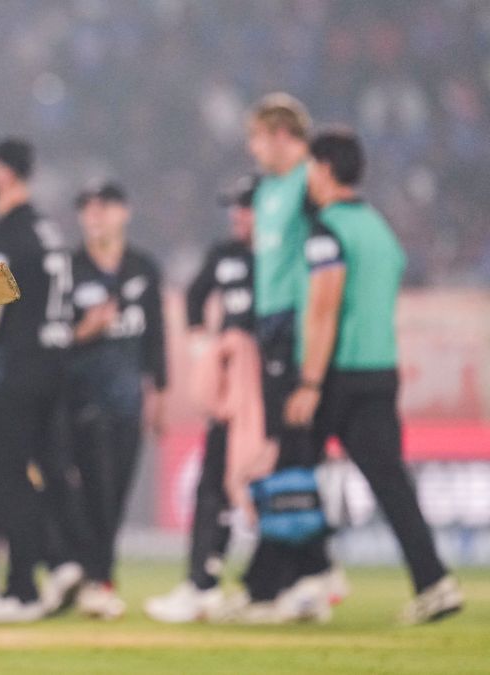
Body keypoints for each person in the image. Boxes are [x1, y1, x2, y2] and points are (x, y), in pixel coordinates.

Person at [290, 128, 462, 624]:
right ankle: (433, 580)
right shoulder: (379, 229)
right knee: (391, 483)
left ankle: (307, 576)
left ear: (323, 169)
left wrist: (308, 383)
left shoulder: (328, 232)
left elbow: (324, 310)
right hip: (380, 368)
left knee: (292, 470)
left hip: (335, 373)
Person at [0, 138, 82, 623]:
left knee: (6, 475)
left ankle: (24, 588)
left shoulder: (6, 235)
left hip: (15, 370)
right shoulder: (48, 231)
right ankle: (66, 562)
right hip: (53, 366)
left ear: (5, 172)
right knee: (44, 468)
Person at [235, 94, 337, 623]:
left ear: (278, 134)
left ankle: (299, 574)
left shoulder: (308, 183)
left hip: (298, 324)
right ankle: (301, 576)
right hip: (273, 324)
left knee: (292, 450)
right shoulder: (271, 189)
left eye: (256, 137)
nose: (252, 148)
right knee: (288, 452)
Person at [145, 174, 258, 623]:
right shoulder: (225, 254)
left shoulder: (284, 253)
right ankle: (202, 582)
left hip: (270, 389)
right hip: (233, 391)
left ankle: (289, 579)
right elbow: (195, 295)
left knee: (265, 484)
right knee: (213, 484)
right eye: (235, 206)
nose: (237, 214)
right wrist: (199, 344)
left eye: (246, 206)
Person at [64, 181, 167, 620]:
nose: (94, 215)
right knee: (94, 492)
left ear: (123, 212)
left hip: (128, 402)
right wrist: (83, 331)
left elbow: (156, 337)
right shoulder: (68, 268)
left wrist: (159, 392)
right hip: (81, 401)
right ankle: (98, 579)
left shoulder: (143, 267)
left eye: (103, 206)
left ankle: (95, 576)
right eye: (86, 207)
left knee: (118, 494)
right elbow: (48, 338)